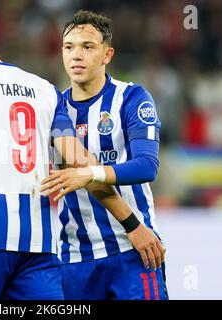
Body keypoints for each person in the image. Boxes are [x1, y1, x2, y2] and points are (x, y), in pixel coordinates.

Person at [0, 12, 162, 300]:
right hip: (46, 246)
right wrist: (132, 223)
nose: (77, 55)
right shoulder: (46, 92)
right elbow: (80, 161)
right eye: (69, 47)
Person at [41, 10, 168, 300]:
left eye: (88, 47)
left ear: (107, 54)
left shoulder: (132, 98)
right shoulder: (51, 109)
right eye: (69, 47)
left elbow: (147, 166)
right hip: (76, 257)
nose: (76, 55)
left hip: (133, 248)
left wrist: (90, 173)